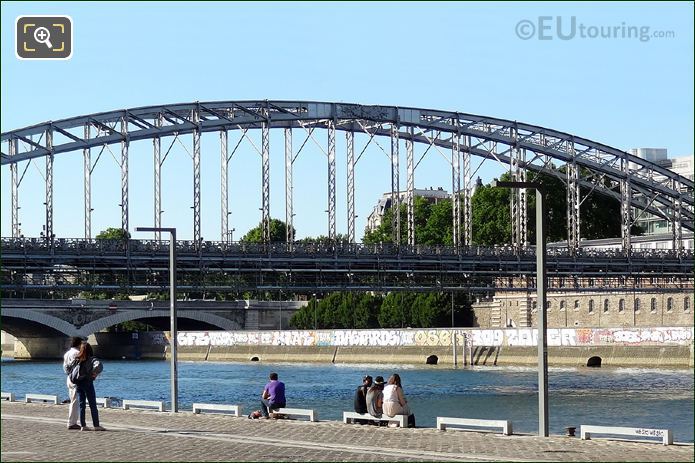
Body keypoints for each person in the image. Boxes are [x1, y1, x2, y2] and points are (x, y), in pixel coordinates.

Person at [74, 342, 105, 431]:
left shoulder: (77, 359)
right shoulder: (92, 359)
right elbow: (99, 365)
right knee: (92, 404)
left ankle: (83, 425)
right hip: (87, 382)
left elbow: (69, 368)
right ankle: (96, 425)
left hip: (79, 382)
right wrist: (94, 374)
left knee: (81, 404)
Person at [62, 337, 82, 430]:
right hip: (76, 379)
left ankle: (72, 421)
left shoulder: (67, 354)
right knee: (75, 401)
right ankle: (72, 422)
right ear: (78, 344)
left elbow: (65, 367)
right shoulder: (77, 353)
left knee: (72, 399)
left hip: (69, 378)